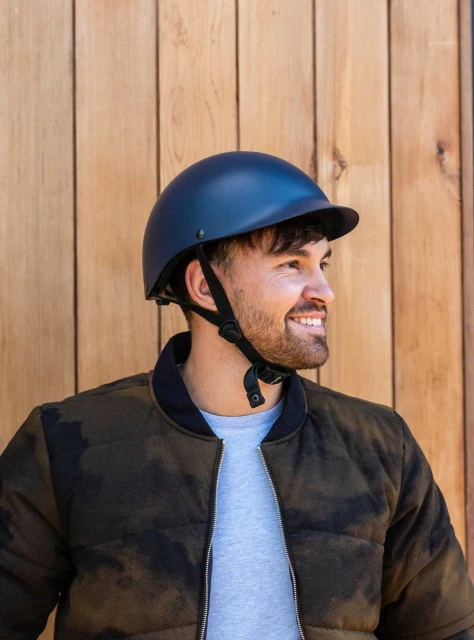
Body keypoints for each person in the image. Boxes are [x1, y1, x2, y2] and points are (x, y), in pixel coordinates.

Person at [0, 151, 473, 640]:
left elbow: (446, 630)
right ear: (205, 287)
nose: (325, 290)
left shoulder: (380, 446)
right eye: (292, 264)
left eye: (322, 264)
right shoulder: (67, 445)